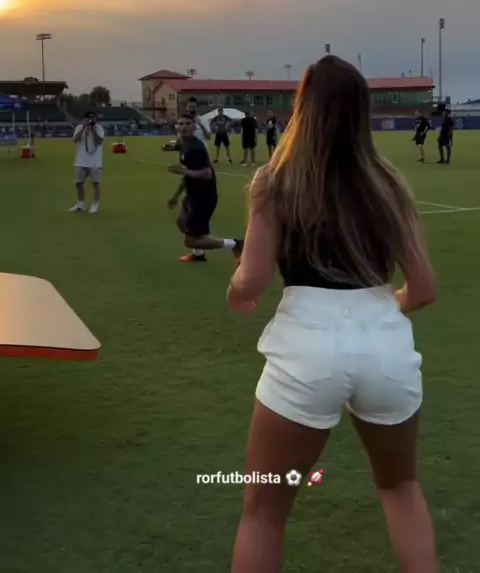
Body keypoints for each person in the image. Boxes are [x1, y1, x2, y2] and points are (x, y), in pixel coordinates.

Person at [226, 55, 437, 573]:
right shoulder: (389, 184)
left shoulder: (275, 181)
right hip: (385, 346)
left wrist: (236, 290)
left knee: (264, 513)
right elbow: (424, 289)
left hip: (307, 347)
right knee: (401, 487)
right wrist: (383, 309)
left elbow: (253, 279)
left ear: (303, 108)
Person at [167, 113, 243, 263]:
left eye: (187, 124)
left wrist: (183, 171)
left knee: (191, 241)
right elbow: (187, 173)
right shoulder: (184, 144)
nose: (183, 127)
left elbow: (206, 174)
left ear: (194, 126)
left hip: (202, 198)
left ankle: (236, 245)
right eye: (180, 124)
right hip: (192, 195)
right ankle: (198, 254)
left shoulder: (196, 148)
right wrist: (175, 196)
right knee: (181, 221)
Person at [70, 111, 105, 214]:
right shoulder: (79, 127)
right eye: (88, 119)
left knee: (96, 183)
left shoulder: (98, 128)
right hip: (81, 160)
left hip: (95, 161)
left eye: (93, 119)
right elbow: (75, 139)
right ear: (83, 119)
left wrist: (93, 131)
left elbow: (100, 141)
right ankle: (80, 204)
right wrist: (84, 128)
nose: (91, 121)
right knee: (78, 183)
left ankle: (95, 205)